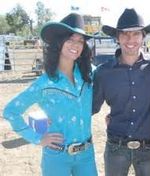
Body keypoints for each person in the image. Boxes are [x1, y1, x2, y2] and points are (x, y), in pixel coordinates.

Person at [3, 13, 98, 176]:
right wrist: (38, 138)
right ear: (59, 43)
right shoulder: (44, 83)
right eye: (70, 39)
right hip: (57, 157)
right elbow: (11, 111)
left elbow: (113, 84)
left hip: (86, 155)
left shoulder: (89, 74)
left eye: (80, 41)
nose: (76, 44)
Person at [92, 8, 150, 176]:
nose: (130, 39)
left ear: (144, 36)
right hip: (116, 147)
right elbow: (90, 107)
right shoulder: (103, 72)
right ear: (117, 37)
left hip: (147, 148)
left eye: (136, 34)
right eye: (124, 34)